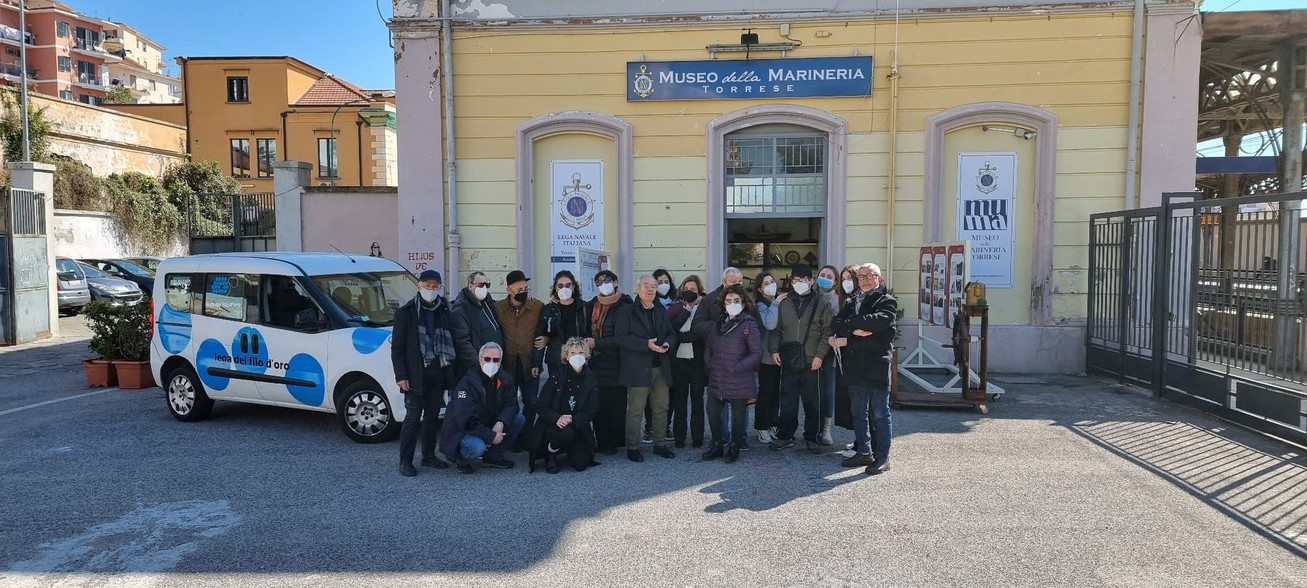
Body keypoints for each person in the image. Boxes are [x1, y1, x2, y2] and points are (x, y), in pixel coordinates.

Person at [829, 263, 898, 475]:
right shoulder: (852, 301)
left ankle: (882, 457)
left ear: (880, 277)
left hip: (876, 365)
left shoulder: (887, 301)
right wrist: (855, 331)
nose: (866, 280)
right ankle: (864, 451)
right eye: (862, 276)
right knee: (858, 412)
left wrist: (848, 336)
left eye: (870, 275)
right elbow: (836, 323)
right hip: (854, 367)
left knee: (879, 413)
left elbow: (880, 328)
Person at [391, 269, 459, 477]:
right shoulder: (406, 312)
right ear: (419, 286)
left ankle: (428, 456)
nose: (430, 289)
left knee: (432, 416)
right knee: (412, 418)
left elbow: (451, 340)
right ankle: (406, 461)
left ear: (439, 288)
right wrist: (401, 375)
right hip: (415, 373)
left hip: (438, 372)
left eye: (434, 286)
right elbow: (397, 348)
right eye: (427, 285)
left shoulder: (443, 310)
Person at [767, 263, 833, 453]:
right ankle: (785, 435)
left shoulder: (822, 303)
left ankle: (812, 437)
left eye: (803, 280)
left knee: (812, 401)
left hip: (812, 359)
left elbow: (827, 331)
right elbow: (776, 329)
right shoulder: (784, 302)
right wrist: (774, 350)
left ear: (811, 281)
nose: (799, 283)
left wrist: (820, 355)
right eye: (795, 280)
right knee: (787, 401)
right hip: (789, 358)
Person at [614, 275, 678, 462]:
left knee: (661, 408)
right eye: (646, 286)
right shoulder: (627, 311)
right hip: (638, 368)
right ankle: (632, 447)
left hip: (660, 367)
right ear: (638, 287)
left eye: (653, 286)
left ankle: (660, 444)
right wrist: (645, 344)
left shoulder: (660, 310)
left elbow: (671, 334)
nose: (650, 289)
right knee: (635, 410)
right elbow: (621, 338)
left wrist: (667, 344)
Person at [701, 284, 763, 463]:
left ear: (743, 304)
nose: (732, 303)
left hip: (739, 379)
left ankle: (735, 447)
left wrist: (738, 367)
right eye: (728, 301)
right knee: (713, 413)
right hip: (717, 377)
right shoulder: (718, 324)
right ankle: (717, 445)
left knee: (738, 416)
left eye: (736, 300)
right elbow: (709, 346)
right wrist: (709, 362)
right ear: (723, 303)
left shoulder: (748, 324)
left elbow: (757, 353)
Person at [441, 342, 525, 473]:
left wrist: (501, 422)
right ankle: (460, 458)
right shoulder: (466, 383)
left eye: (496, 359)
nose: (491, 363)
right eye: (487, 359)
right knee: (477, 447)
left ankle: (492, 456)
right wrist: (490, 436)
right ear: (480, 360)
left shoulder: (506, 379)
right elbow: (466, 420)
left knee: (519, 419)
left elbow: (512, 404)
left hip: (488, 422)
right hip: (463, 430)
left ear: (500, 362)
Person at [528, 337, 601, 473]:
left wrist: (573, 419)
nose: (577, 356)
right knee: (565, 431)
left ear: (586, 356)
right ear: (566, 357)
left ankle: (568, 449)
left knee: (581, 465)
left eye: (581, 352)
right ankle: (551, 453)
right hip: (555, 425)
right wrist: (558, 418)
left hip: (578, 426)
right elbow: (541, 405)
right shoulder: (556, 377)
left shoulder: (591, 379)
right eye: (572, 353)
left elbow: (591, 409)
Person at [495, 269, 544, 451]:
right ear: (509, 290)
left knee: (531, 401)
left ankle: (526, 435)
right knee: (509, 402)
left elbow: (542, 333)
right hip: (507, 364)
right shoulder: (498, 308)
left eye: (526, 287)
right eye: (519, 289)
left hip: (529, 363)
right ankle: (511, 436)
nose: (524, 291)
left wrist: (538, 362)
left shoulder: (537, 306)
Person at [586, 270, 631, 455]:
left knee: (616, 404)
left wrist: (596, 343)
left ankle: (616, 441)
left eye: (607, 280)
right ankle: (603, 442)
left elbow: (622, 338)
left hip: (618, 361)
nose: (603, 284)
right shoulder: (594, 305)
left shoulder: (625, 305)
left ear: (616, 282)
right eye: (599, 281)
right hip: (597, 362)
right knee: (600, 404)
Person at [667, 275, 707, 448]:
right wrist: (687, 310)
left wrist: (685, 337)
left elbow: (702, 332)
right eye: (687, 288)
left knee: (698, 400)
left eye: (693, 289)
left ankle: (698, 436)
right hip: (679, 360)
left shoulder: (705, 307)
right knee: (680, 400)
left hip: (698, 360)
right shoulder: (676, 308)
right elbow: (672, 329)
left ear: (699, 291)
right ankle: (679, 437)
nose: (690, 291)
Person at [450, 271, 503, 375]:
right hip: (477, 368)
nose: (484, 288)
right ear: (470, 286)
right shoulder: (461, 309)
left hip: (494, 364)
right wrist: (480, 364)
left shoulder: (488, 303)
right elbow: (463, 342)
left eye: (487, 285)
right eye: (480, 285)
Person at [537, 270, 589, 374]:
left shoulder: (584, 307)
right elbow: (540, 337)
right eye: (560, 286)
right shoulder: (549, 309)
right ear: (555, 288)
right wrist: (536, 363)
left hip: (579, 360)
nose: (564, 289)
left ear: (573, 287)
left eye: (568, 285)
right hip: (556, 361)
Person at [752, 271, 783, 444]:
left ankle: (773, 422)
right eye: (766, 283)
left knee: (776, 392)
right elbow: (770, 323)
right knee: (766, 391)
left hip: (779, 353)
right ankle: (761, 426)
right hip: (765, 356)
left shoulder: (777, 302)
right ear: (759, 288)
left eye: (772, 281)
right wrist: (777, 303)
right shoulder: (761, 305)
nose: (770, 285)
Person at [816, 264, 842, 446]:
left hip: (831, 351)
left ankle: (826, 428)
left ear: (835, 281)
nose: (825, 278)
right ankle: (812, 427)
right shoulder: (811, 297)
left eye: (829, 276)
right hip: (810, 349)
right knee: (811, 390)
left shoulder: (839, 301)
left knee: (828, 390)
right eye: (822, 275)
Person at [690, 267, 744, 340]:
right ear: (724, 283)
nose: (737, 284)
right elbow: (696, 326)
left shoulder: (747, 300)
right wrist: (719, 326)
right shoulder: (709, 300)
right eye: (733, 282)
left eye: (740, 281)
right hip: (716, 345)